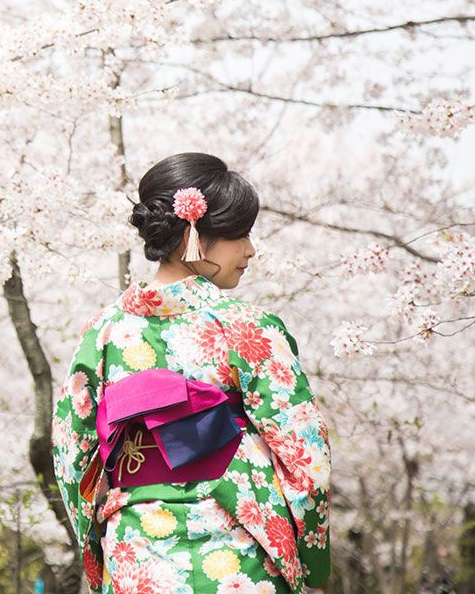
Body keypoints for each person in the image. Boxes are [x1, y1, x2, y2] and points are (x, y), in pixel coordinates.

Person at [51, 152, 331, 594]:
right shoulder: (248, 327)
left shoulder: (103, 332)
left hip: (136, 553)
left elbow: (72, 455)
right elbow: (304, 454)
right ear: (197, 234)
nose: (250, 251)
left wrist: (98, 542)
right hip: (240, 545)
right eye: (241, 235)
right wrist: (309, 558)